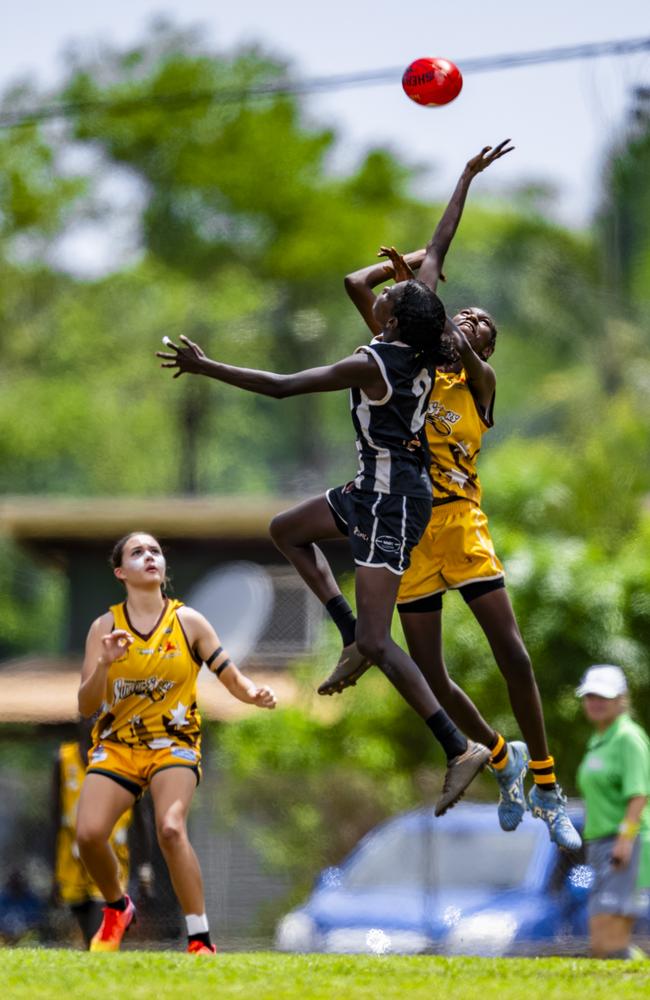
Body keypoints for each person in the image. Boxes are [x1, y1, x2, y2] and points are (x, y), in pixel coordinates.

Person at [316, 141, 581, 852]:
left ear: (487, 350)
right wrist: (462, 179)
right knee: (429, 669)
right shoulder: (407, 359)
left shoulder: (478, 386)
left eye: (482, 326)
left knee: (513, 655)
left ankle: (550, 786)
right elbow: (415, 260)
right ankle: (501, 758)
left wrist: (446, 321)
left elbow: (450, 324)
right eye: (462, 315)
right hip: (408, 527)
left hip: (461, 524)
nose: (469, 322)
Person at [158, 266, 490, 817]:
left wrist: (204, 365)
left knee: (382, 642)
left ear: (395, 318)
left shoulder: (375, 362)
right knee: (286, 530)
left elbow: (282, 386)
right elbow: (398, 274)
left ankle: (460, 746)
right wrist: (435, 227)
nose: (379, 296)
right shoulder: (422, 350)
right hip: (374, 487)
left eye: (389, 296)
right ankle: (348, 633)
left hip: (392, 500)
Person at [76, 531, 276, 954]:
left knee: (170, 828)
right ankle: (117, 908)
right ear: (120, 572)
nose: (149, 557)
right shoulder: (104, 627)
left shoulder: (189, 622)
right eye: (137, 552)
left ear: (163, 567)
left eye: (155, 551)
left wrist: (253, 693)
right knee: (89, 836)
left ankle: (200, 938)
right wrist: (103, 664)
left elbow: (232, 677)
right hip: (117, 746)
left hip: (173, 743)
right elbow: (85, 703)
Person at [49, 719, 154, 948]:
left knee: (104, 912)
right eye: (87, 715)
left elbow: (141, 817)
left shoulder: (124, 758)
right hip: (71, 857)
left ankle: (103, 953)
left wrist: (145, 866)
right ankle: (97, 961)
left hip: (111, 855)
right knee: (86, 928)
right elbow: (55, 817)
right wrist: (53, 870)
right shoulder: (64, 759)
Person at [576, 664, 650, 959]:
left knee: (608, 940)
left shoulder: (628, 738)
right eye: (590, 696)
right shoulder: (597, 741)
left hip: (624, 845)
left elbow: (639, 794)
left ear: (622, 699)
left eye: (604, 696)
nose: (595, 703)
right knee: (601, 938)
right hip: (599, 843)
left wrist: (624, 840)